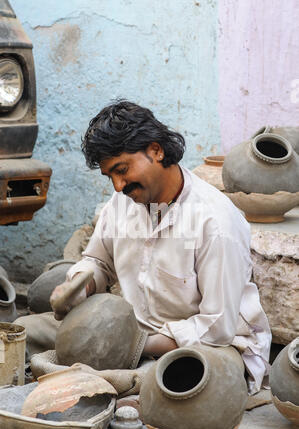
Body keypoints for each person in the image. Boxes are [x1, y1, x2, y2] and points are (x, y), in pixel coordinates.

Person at [21, 100, 272, 395]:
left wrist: (133, 345)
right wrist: (81, 283)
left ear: (156, 150)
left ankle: (123, 385)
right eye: (110, 176)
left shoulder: (215, 222)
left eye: (122, 170)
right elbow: (99, 262)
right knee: (22, 333)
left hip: (207, 346)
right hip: (130, 331)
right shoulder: (124, 202)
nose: (117, 186)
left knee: (177, 386)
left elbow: (215, 329)